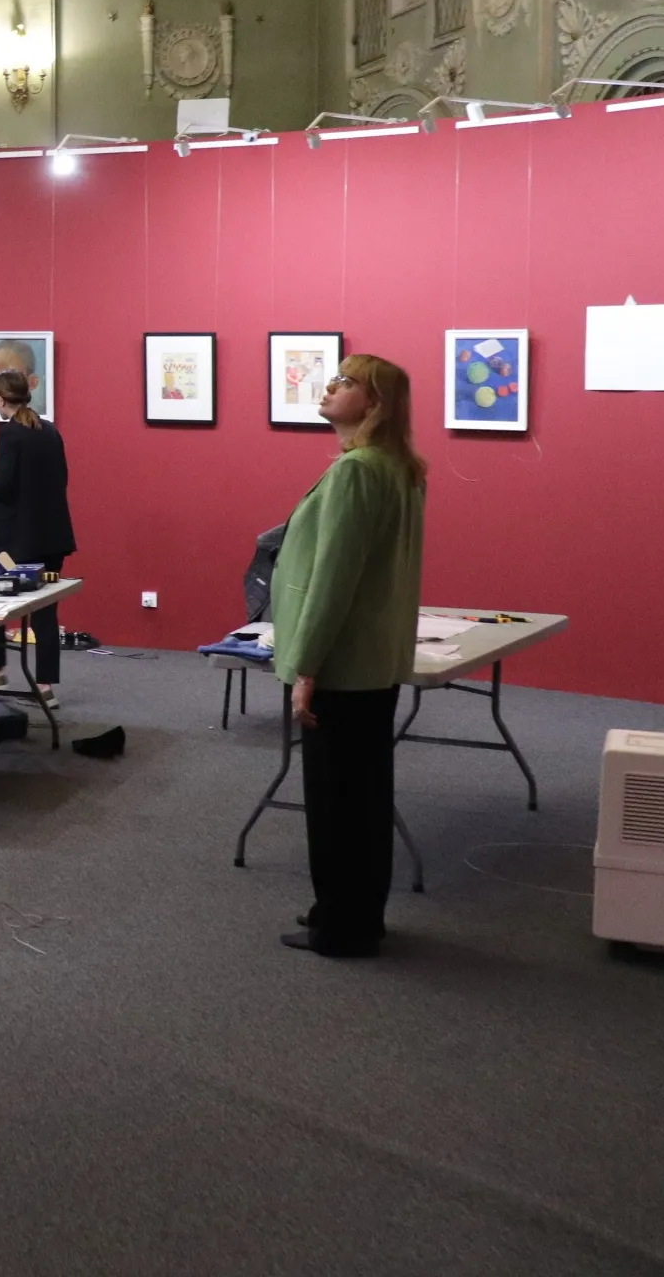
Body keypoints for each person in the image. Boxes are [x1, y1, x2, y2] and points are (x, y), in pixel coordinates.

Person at [270, 355, 426, 959]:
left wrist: (306, 666)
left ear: (375, 402)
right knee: (363, 795)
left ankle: (340, 927)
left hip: (342, 662)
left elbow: (333, 579)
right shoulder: (397, 467)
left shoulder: (359, 471)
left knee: (336, 802)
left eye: (346, 381)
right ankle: (355, 914)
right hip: (373, 658)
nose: (330, 387)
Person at [0, 369, 75, 707]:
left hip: (13, 543)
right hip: (52, 538)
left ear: (1, 399)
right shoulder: (50, 430)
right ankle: (44, 688)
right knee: (45, 612)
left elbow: (1, 488)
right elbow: (57, 479)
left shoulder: (10, 433)